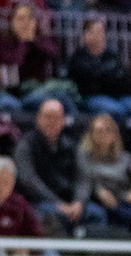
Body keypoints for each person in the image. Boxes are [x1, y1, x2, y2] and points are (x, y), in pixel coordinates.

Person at [15, 99, 98, 234]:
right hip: (39, 201)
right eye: (48, 117)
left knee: (96, 214)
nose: (52, 122)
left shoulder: (72, 146)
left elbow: (83, 178)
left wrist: (79, 202)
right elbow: (28, 180)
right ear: (38, 119)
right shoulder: (25, 145)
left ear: (63, 121)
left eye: (56, 118)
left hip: (70, 202)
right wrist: (57, 203)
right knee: (49, 215)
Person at [77, 112, 131, 237]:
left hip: (125, 199)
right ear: (91, 135)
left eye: (108, 131)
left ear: (115, 135)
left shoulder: (126, 158)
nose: (104, 135)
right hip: (101, 200)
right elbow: (84, 179)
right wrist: (97, 191)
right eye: (99, 131)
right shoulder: (84, 157)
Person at [68, 17, 131, 122]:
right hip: (91, 97)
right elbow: (90, 81)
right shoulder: (78, 58)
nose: (99, 36)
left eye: (101, 31)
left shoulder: (112, 56)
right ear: (86, 35)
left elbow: (124, 76)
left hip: (117, 96)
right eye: (94, 32)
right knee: (115, 110)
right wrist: (107, 76)